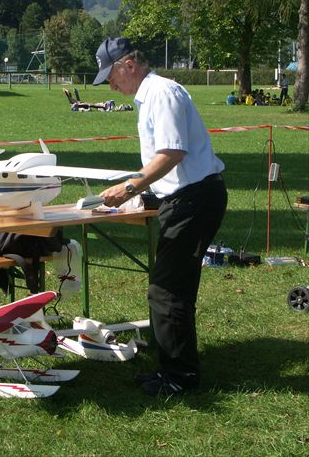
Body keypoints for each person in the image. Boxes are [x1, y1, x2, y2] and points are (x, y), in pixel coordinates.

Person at [93, 37, 228, 397]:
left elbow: (172, 153)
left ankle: (180, 376)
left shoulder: (162, 93)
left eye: (111, 75)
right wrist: (148, 193)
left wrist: (131, 188)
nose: (110, 84)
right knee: (170, 287)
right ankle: (171, 368)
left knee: (167, 290)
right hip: (185, 198)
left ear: (129, 65)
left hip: (194, 200)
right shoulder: (150, 95)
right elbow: (166, 159)